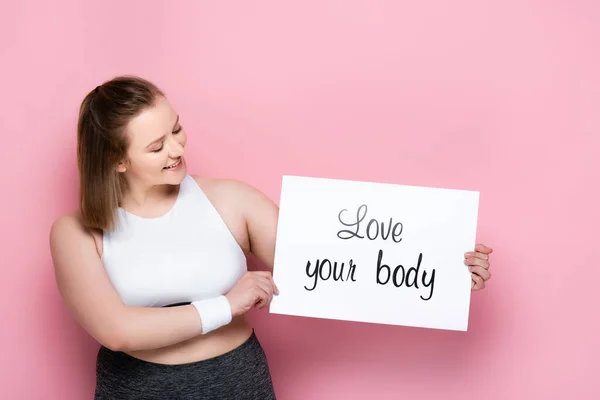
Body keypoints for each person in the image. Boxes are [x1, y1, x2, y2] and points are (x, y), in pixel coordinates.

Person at [49, 75, 494, 399]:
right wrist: (227, 304)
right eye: (156, 145)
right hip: (137, 390)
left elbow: (342, 270)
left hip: (237, 382)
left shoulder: (231, 199)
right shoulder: (75, 233)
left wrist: (441, 271)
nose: (178, 148)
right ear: (117, 161)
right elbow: (119, 332)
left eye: (177, 130)